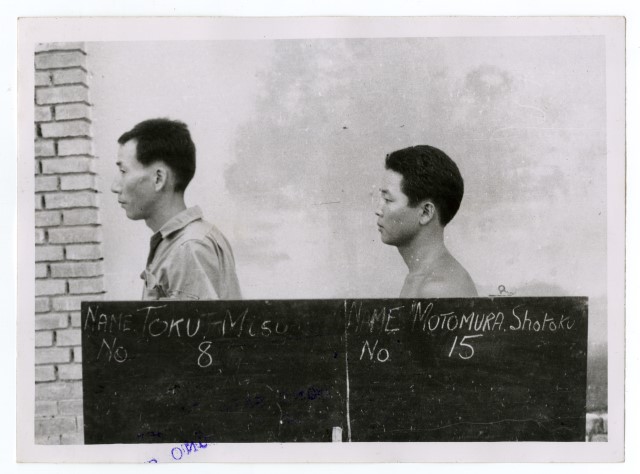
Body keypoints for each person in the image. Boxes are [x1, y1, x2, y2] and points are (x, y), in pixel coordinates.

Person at [111, 118, 242, 300]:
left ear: (158, 178)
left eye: (124, 171)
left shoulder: (189, 247)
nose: (115, 187)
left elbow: (200, 320)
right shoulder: (184, 242)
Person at [375, 145, 477, 298]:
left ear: (425, 212)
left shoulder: (438, 289)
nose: (378, 210)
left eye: (388, 200)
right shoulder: (421, 277)